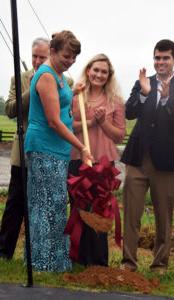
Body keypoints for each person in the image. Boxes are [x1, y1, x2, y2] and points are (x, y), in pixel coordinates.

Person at [24, 30, 92, 272]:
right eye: (66, 56)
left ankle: (54, 259)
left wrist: (73, 93)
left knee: (54, 203)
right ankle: (43, 263)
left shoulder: (59, 76)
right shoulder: (46, 76)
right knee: (45, 205)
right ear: (52, 52)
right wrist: (81, 146)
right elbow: (53, 120)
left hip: (57, 151)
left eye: (74, 57)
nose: (70, 61)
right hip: (44, 148)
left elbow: (59, 100)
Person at [121, 39, 174, 273]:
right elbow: (129, 112)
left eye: (165, 58)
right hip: (138, 158)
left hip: (167, 162)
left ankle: (159, 265)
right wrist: (145, 94)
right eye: (157, 57)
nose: (160, 62)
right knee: (131, 214)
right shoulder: (143, 82)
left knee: (164, 217)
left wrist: (166, 100)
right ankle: (128, 263)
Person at [69, 53, 126, 266]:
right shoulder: (76, 97)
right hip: (77, 158)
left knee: (100, 211)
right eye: (96, 70)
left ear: (109, 75)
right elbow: (66, 126)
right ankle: (78, 258)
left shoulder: (115, 101)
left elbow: (119, 135)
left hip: (102, 163)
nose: (99, 75)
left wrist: (102, 122)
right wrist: (91, 121)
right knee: (79, 208)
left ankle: (99, 262)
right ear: (88, 70)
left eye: (104, 72)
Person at [0, 37, 50, 260]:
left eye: (43, 57)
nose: (38, 61)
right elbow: (10, 109)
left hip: (47, 151)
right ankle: (4, 252)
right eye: (35, 56)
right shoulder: (17, 79)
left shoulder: (62, 81)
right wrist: (31, 88)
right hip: (22, 151)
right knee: (15, 203)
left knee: (40, 206)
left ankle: (36, 254)